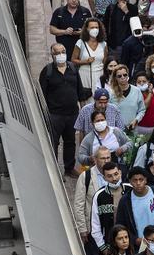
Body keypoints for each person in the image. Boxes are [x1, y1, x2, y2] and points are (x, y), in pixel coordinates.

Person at [39, 43, 87, 176]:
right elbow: (41, 94)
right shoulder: (47, 71)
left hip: (72, 114)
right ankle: (53, 170)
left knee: (70, 141)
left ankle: (69, 168)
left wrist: (83, 111)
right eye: (57, 53)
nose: (61, 55)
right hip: (55, 115)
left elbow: (80, 90)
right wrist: (44, 114)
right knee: (53, 142)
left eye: (63, 51)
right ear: (52, 55)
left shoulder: (72, 68)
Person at [116, 167, 154, 242]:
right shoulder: (125, 201)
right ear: (130, 182)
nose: (138, 183)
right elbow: (120, 225)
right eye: (135, 180)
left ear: (146, 180)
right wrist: (135, 239)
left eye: (141, 179)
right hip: (139, 244)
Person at [71, 18, 107, 94]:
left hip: (100, 75)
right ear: (87, 29)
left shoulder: (103, 44)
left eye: (97, 27)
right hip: (84, 75)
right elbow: (73, 60)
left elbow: (105, 62)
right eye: (92, 27)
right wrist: (85, 61)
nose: (95, 29)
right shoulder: (80, 43)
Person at [106, 63, 146, 131]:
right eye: (119, 76)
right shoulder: (111, 93)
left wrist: (136, 120)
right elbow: (108, 113)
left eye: (125, 75)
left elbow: (142, 110)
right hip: (116, 131)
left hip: (133, 130)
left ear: (128, 75)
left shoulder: (137, 91)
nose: (122, 77)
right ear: (115, 78)